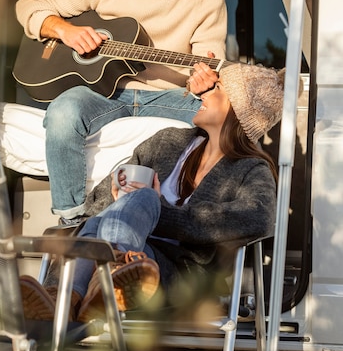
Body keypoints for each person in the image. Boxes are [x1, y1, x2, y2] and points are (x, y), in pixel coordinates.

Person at [20, 62, 286, 323]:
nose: (203, 94)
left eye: (216, 90)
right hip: (129, 261)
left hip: (175, 274)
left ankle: (94, 282)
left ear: (237, 109)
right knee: (95, 223)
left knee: (141, 200)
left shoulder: (251, 168)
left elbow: (258, 218)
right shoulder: (168, 141)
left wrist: (157, 210)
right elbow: (97, 200)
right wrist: (117, 194)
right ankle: (73, 296)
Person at [16, 0, 227, 225]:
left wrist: (203, 84)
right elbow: (29, 4)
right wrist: (66, 31)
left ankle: (202, 226)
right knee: (62, 113)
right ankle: (70, 219)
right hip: (102, 95)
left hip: (167, 97)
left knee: (225, 121)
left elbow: (207, 62)